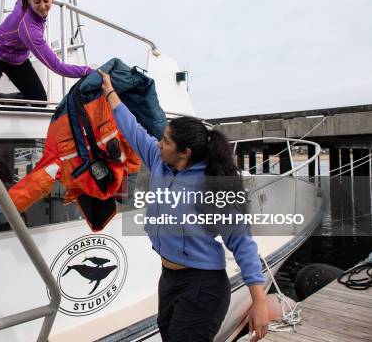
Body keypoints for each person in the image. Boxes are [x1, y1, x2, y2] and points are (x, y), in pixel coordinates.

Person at [98, 70, 269, 342]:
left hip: (203, 286)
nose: (159, 143)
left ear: (184, 153)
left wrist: (259, 301)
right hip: (169, 278)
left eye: (166, 141)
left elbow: (241, 242)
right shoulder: (158, 160)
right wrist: (109, 92)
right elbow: (132, 129)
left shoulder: (211, 185)